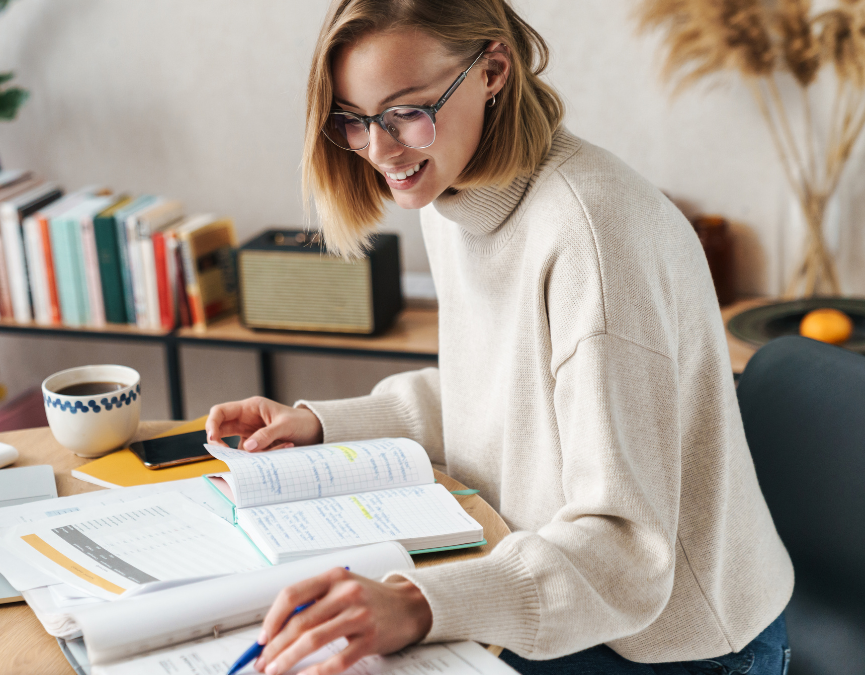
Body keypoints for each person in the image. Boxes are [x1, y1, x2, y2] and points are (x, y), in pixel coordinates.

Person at [204, 1, 794, 674]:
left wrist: (418, 604)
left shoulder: (595, 239)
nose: (380, 149)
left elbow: (628, 550)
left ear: (492, 70)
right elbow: (499, 387)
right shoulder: (451, 188)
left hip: (677, 641)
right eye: (355, 119)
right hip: (569, 590)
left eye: (405, 111)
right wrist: (319, 426)